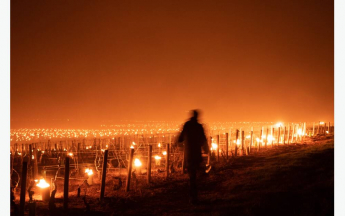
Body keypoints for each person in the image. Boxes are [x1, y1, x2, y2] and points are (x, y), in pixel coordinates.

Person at [177, 109, 209, 204]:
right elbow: (203, 139)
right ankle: (194, 196)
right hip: (196, 154)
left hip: (189, 154)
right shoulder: (199, 127)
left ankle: (192, 196)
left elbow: (180, 138)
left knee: (192, 176)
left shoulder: (187, 125)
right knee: (195, 175)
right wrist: (206, 150)